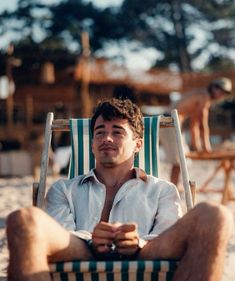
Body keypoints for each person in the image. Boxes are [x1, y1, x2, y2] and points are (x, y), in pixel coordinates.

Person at [6, 98, 233, 281]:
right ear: (92, 143)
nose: (106, 138)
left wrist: (139, 243)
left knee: (216, 215)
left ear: (138, 144)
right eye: (99, 132)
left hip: (145, 253)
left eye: (117, 132)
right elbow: (60, 236)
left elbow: (168, 236)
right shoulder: (64, 189)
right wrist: (90, 241)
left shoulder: (162, 190)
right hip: (79, 250)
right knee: (23, 219)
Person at [161, 77, 233, 186]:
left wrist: (199, 147)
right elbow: (202, 125)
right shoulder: (204, 96)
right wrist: (205, 148)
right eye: (221, 90)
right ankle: (172, 189)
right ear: (213, 87)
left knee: (180, 160)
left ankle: (173, 187)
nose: (221, 95)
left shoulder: (201, 95)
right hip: (168, 122)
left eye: (224, 93)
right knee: (179, 160)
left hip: (171, 122)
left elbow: (194, 125)